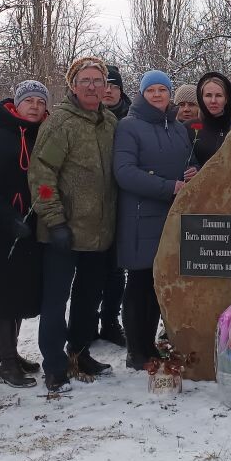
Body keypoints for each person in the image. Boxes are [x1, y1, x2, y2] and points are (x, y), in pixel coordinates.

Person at [29, 57, 117, 393]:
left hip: (99, 232)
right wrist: (54, 220)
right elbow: (42, 175)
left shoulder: (109, 122)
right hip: (62, 232)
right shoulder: (60, 123)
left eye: (99, 80)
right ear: (73, 84)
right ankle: (53, 365)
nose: (93, 86)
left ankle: (79, 353)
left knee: (88, 298)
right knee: (56, 300)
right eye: (86, 80)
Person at [113, 71, 195, 369]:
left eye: (163, 89)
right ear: (142, 93)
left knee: (160, 283)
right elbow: (124, 171)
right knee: (139, 282)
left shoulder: (177, 127)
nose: (158, 95)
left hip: (172, 217)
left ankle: (150, 345)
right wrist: (169, 186)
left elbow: (188, 160)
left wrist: (192, 172)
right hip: (140, 217)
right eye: (152, 90)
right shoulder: (129, 126)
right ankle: (137, 349)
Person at [0, 81, 51, 388]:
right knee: (5, 293)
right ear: (16, 105)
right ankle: (6, 362)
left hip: (34, 225)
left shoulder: (44, 137)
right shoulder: (0, 139)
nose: (34, 106)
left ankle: (11, 352)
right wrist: (9, 219)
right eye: (28, 101)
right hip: (4, 227)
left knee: (21, 289)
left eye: (39, 101)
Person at [97, 64, 130, 347]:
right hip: (93, 203)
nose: (108, 90)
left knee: (117, 268)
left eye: (114, 86)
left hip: (124, 201)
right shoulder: (87, 116)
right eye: (104, 85)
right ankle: (85, 321)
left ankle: (110, 319)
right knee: (91, 267)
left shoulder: (131, 118)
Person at [190, 72, 231, 166]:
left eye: (219, 95)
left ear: (226, 99)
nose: (213, 101)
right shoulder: (188, 128)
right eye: (208, 95)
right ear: (201, 98)